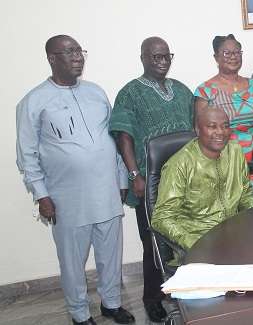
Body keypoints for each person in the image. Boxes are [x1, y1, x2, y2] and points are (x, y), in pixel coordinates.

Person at [16, 35, 134, 325]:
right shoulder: (33, 101)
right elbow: (26, 155)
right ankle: (80, 314)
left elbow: (113, 139)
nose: (78, 56)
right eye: (69, 52)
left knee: (110, 254)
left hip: (106, 191)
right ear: (52, 58)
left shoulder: (96, 92)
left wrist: (121, 178)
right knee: (72, 262)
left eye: (79, 50)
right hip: (66, 198)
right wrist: (42, 195)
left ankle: (112, 303)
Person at [109, 37, 193, 322]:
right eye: (155, 56)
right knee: (154, 244)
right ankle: (153, 298)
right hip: (151, 182)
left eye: (166, 55)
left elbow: (195, 132)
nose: (162, 61)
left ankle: (185, 291)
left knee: (185, 237)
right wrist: (135, 175)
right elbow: (124, 137)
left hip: (185, 179)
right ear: (143, 57)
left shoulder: (182, 90)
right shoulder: (129, 93)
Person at [151, 106, 253, 255]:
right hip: (199, 242)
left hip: (234, 237)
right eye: (212, 126)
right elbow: (161, 218)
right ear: (197, 129)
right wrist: (193, 244)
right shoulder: (180, 164)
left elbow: (246, 194)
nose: (220, 132)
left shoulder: (235, 152)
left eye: (225, 126)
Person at [195, 34, 253, 204]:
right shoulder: (205, 91)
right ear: (216, 57)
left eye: (237, 52)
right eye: (227, 53)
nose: (233, 57)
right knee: (231, 221)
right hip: (223, 164)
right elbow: (200, 131)